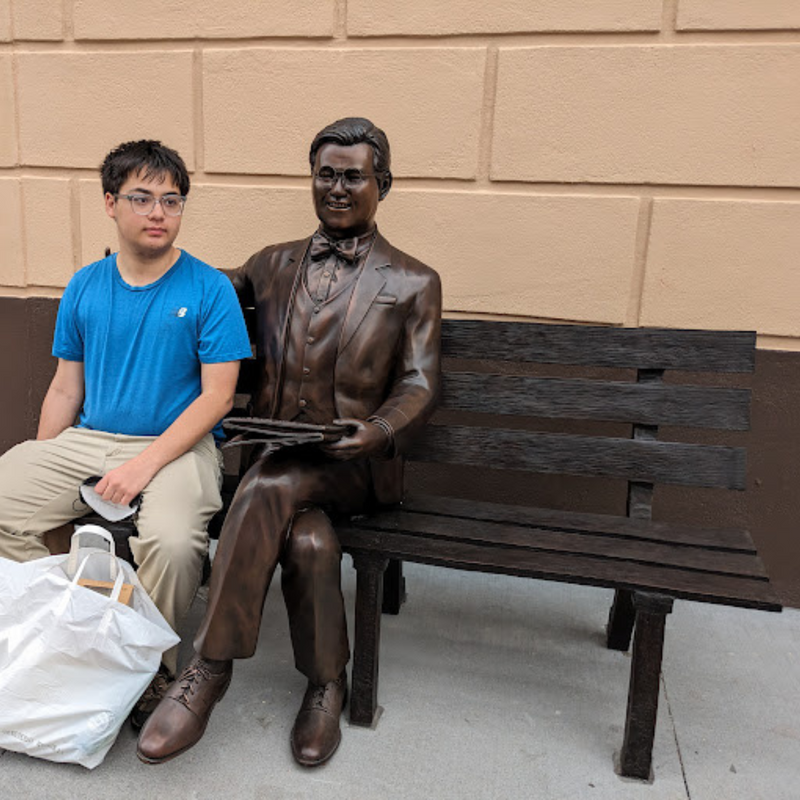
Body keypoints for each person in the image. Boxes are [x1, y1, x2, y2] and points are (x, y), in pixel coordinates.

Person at [137, 118, 442, 767]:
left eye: (352, 175)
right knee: (307, 540)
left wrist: (379, 430)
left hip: (352, 466)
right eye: (325, 174)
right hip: (277, 454)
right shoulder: (269, 265)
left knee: (269, 484)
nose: (336, 187)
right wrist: (142, 268)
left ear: (381, 184)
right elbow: (201, 299)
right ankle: (327, 684)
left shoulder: (415, 282)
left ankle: (209, 667)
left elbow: (419, 381)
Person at [0, 140, 252, 728]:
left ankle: (146, 669)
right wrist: (45, 459)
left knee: (170, 542)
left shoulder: (209, 289)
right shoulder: (86, 286)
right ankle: (68, 616)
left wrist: (143, 467)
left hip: (179, 445)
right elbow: (66, 389)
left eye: (172, 200)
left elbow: (216, 397)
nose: (159, 212)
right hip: (91, 438)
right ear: (111, 203)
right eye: (142, 198)